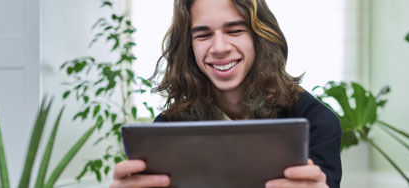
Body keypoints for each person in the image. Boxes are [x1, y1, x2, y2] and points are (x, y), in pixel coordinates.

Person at [109, 0, 342, 187]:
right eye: (203, 35)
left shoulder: (317, 123)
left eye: (234, 30)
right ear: (188, 47)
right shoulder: (167, 130)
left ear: (258, 38)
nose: (219, 48)